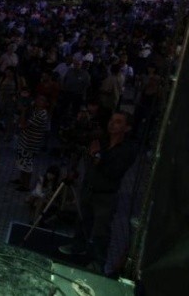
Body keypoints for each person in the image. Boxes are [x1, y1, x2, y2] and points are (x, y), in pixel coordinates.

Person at [59, 111, 138, 275]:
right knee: (82, 220)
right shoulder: (100, 140)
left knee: (101, 230)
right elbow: (89, 162)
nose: (112, 124)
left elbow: (114, 171)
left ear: (127, 128)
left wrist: (97, 156)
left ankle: (98, 261)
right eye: (111, 120)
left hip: (105, 195)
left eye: (118, 122)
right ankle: (78, 246)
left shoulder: (128, 150)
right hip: (89, 188)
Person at [11, 95, 50, 191]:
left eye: (41, 100)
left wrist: (23, 111)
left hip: (30, 144)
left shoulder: (41, 115)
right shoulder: (36, 111)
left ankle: (26, 185)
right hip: (25, 141)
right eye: (38, 99)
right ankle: (21, 180)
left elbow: (23, 125)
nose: (37, 101)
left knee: (27, 164)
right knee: (22, 162)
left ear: (45, 104)